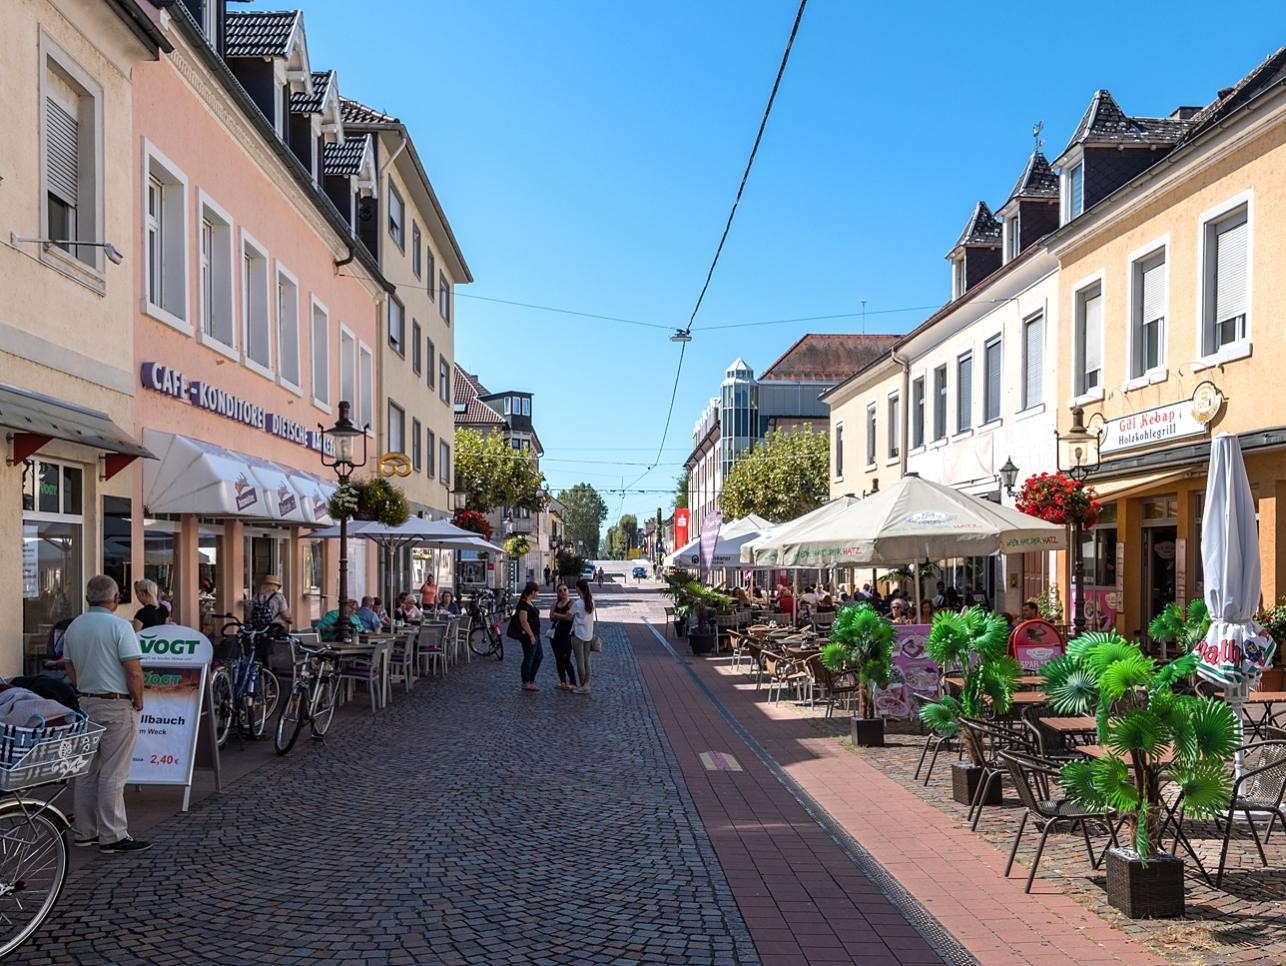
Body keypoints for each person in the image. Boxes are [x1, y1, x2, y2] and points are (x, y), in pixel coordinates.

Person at [60, 575, 150, 854]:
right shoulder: (120, 627)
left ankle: (85, 832)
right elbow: (133, 670)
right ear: (115, 599)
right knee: (114, 772)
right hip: (116, 703)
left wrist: (85, 687)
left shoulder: (75, 626)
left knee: (87, 771)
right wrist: (138, 700)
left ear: (88, 598)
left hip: (86, 703)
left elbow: (69, 667)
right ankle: (113, 836)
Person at [514, 581, 542, 692]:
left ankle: (531, 679)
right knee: (529, 657)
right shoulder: (523, 604)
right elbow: (524, 622)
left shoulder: (530, 602)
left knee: (539, 656)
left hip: (536, 634)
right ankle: (526, 682)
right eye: (537, 592)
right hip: (529, 636)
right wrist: (531, 636)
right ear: (533, 592)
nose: (537, 594)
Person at [548, 584, 577, 691]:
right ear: (557, 593)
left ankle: (573, 682)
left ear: (568, 591)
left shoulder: (571, 603)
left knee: (566, 658)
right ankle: (562, 681)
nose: (563, 592)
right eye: (560, 591)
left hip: (567, 635)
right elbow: (551, 617)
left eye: (565, 589)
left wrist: (557, 615)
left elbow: (569, 618)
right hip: (555, 635)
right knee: (558, 659)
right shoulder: (555, 604)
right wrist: (561, 615)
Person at [571, 578, 596, 694]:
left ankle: (582, 685)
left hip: (578, 634)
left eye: (576, 588)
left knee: (579, 661)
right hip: (588, 635)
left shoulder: (578, 603)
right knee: (586, 660)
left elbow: (568, 615)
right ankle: (587, 684)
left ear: (578, 589)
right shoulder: (591, 601)